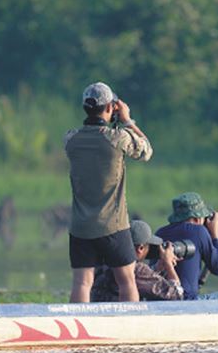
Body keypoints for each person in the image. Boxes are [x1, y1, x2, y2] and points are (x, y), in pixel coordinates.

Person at [64, 81, 153, 302]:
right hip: (113, 225)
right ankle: (129, 329)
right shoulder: (118, 138)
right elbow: (146, 150)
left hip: (80, 227)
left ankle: (79, 332)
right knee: (126, 280)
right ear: (109, 107)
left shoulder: (70, 139)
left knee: (82, 282)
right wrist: (127, 119)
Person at [91, 220, 183, 302]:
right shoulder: (137, 269)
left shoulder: (105, 262)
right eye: (149, 247)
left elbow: (141, 281)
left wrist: (156, 269)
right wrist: (168, 264)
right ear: (140, 248)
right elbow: (176, 295)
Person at [156, 192, 218, 300]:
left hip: (161, 298)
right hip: (188, 300)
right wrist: (215, 234)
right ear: (197, 219)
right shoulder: (199, 231)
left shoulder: (159, 233)